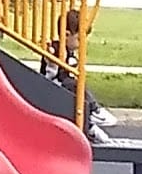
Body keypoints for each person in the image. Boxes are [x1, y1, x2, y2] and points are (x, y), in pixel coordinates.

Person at [40, 8, 117, 143]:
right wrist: (51, 59)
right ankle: (95, 110)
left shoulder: (70, 51)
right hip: (52, 85)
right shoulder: (57, 48)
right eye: (79, 39)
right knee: (75, 84)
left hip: (64, 87)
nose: (82, 43)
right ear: (67, 34)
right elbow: (50, 63)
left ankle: (90, 125)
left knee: (77, 89)